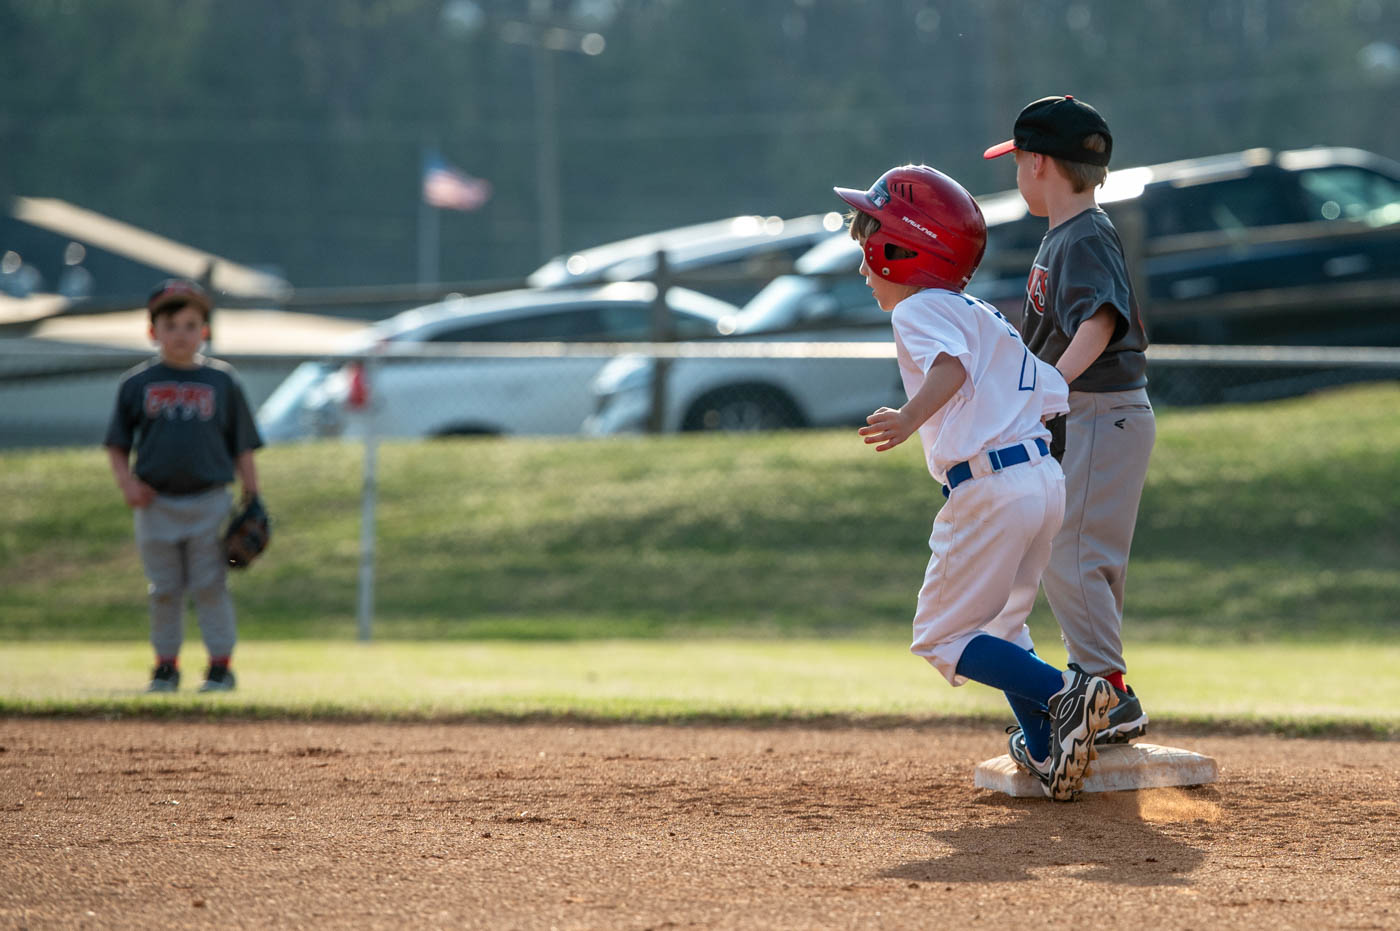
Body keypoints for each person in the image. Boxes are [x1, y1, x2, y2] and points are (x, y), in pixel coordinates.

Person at [836, 164, 1116, 801]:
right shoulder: (985, 314)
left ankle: (1066, 692)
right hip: (1040, 478)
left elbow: (950, 369)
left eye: (868, 247)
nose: (863, 268)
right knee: (1003, 627)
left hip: (989, 488)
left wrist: (909, 418)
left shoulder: (918, 310)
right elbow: (1049, 391)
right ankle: (1048, 749)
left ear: (902, 249)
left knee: (941, 637)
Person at [983, 95, 1155, 748]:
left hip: (1100, 410)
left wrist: (1052, 383)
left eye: (1019, 161)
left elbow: (1099, 318)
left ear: (1039, 163)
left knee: (1071, 551)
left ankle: (1106, 695)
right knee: (1082, 553)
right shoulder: (1071, 234)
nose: (1018, 174)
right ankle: (1097, 682)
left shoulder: (1082, 235)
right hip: (1098, 413)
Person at [104, 279, 263, 693]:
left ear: (204, 331)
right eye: (170, 324)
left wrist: (253, 497)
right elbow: (117, 444)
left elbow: (243, 446)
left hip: (210, 502)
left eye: (191, 324)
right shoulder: (137, 383)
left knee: (210, 586)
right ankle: (165, 667)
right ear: (152, 331)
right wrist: (127, 485)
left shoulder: (222, 381)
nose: (181, 333)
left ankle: (220, 667)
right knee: (164, 590)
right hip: (154, 503)